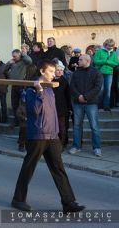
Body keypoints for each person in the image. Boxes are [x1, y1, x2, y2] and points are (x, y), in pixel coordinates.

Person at [11, 60, 85, 213]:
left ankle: (68, 202)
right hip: (37, 135)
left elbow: (52, 113)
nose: (54, 74)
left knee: (59, 169)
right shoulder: (31, 90)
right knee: (28, 168)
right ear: (42, 72)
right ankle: (18, 199)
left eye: (55, 71)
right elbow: (35, 111)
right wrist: (39, 91)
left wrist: (57, 132)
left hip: (52, 136)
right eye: (51, 71)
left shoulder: (50, 88)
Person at [69, 54, 103, 157]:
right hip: (78, 103)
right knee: (77, 126)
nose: (78, 61)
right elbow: (72, 86)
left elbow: (98, 87)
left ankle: (97, 148)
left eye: (80, 59)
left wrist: (86, 96)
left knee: (94, 126)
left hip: (91, 103)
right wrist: (78, 96)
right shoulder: (76, 73)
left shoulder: (96, 72)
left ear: (87, 61)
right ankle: (76, 146)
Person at [4, 49, 32, 126]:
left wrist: (23, 54)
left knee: (22, 104)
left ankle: (22, 121)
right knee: (14, 104)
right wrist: (9, 63)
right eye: (13, 56)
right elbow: (4, 70)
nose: (13, 57)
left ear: (19, 55)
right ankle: (16, 121)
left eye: (15, 56)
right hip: (14, 85)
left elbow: (30, 61)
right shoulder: (12, 62)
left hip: (22, 85)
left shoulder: (24, 62)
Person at [93, 38, 119, 111]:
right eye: (109, 45)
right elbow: (95, 61)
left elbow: (116, 63)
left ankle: (106, 106)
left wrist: (107, 62)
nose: (110, 47)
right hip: (99, 73)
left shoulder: (114, 53)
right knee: (100, 89)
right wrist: (105, 61)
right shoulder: (100, 51)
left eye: (111, 46)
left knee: (107, 90)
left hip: (109, 73)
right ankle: (99, 105)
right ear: (105, 44)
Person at [52, 61, 71, 149]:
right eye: (57, 70)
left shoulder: (65, 81)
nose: (60, 72)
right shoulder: (49, 81)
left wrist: (69, 108)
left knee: (62, 128)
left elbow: (68, 96)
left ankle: (62, 144)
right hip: (52, 108)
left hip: (62, 108)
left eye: (61, 70)